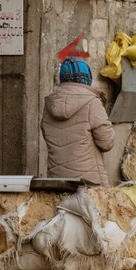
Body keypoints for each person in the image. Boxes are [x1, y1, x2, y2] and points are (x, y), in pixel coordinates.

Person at [40, 57, 115, 185]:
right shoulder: (92, 103)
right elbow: (106, 143)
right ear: (87, 77)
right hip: (89, 184)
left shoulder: (50, 104)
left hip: (57, 182)